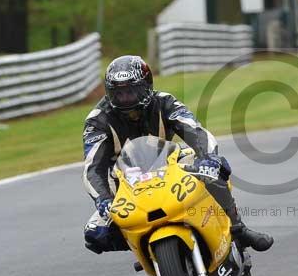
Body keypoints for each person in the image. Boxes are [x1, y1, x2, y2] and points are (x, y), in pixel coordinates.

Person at [81, 55, 274, 255]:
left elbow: (195, 131)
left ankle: (238, 229)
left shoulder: (165, 102)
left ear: (146, 86)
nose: (125, 99)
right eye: (118, 94)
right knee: (96, 235)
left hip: (168, 162)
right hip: (123, 179)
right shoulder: (97, 121)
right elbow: (92, 168)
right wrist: (103, 199)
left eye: (132, 91)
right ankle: (145, 248)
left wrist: (207, 157)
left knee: (215, 169)